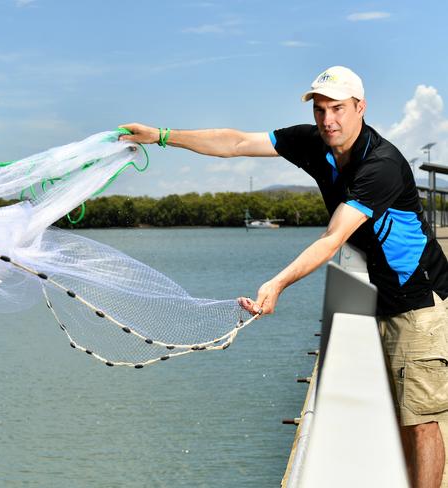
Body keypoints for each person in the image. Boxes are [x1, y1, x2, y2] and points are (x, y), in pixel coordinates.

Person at [120, 65, 448, 488]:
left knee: (421, 421)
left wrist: (277, 284)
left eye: (339, 109)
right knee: (403, 418)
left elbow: (332, 239)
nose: (328, 120)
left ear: (360, 108)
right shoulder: (315, 142)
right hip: (386, 296)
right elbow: (236, 142)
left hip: (421, 300)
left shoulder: (380, 165)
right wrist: (162, 136)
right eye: (321, 110)